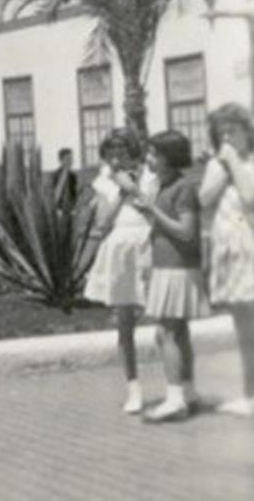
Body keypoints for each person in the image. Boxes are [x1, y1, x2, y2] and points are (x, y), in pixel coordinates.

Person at [200, 103, 254, 416]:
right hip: (229, 252)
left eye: (233, 131)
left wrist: (232, 161)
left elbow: (251, 194)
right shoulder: (219, 164)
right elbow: (204, 199)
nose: (228, 138)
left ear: (247, 131)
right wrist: (221, 167)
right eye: (222, 133)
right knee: (243, 325)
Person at [137, 129, 209, 423]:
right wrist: (148, 210)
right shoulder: (166, 186)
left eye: (154, 154)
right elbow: (163, 225)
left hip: (176, 267)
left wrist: (152, 209)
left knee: (166, 333)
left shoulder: (183, 187)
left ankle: (175, 399)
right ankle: (188, 393)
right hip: (169, 265)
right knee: (178, 332)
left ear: (168, 157)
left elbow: (186, 231)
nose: (149, 159)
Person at [82, 128, 154, 413]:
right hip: (120, 247)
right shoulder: (103, 182)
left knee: (165, 316)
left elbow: (154, 210)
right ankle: (133, 388)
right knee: (125, 323)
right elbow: (102, 225)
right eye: (111, 151)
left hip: (148, 243)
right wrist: (120, 191)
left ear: (133, 151)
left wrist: (135, 187)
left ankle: (179, 386)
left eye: (122, 150)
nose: (117, 156)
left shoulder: (150, 174)